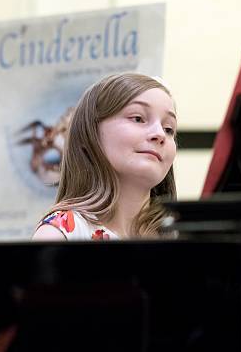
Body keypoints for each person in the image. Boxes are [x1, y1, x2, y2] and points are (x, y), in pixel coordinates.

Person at [32, 73, 177, 240]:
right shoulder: (59, 234)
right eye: (138, 118)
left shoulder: (182, 236)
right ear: (90, 132)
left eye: (169, 129)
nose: (159, 134)